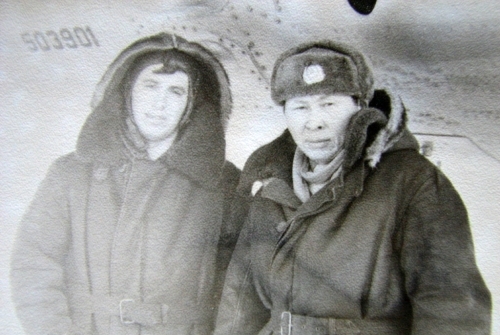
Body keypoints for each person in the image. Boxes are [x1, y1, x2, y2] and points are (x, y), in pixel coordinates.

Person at [214, 41, 491, 334]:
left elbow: (452, 308)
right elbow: (239, 303)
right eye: (300, 107)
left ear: (360, 106)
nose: (314, 122)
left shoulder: (412, 182)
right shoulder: (270, 186)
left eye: (329, 104)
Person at [10, 33, 243, 335]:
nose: (160, 104)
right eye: (150, 86)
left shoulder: (224, 185)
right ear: (127, 91)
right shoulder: (71, 175)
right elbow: (34, 267)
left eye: (176, 91)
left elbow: (241, 288)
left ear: (192, 103)